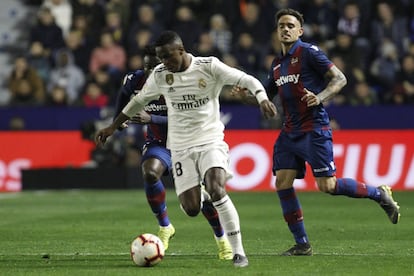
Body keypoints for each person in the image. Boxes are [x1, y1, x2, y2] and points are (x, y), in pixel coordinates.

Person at [95, 31, 277, 267]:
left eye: (167, 57)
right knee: (191, 208)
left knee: (217, 188)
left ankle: (238, 252)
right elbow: (137, 102)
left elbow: (246, 79)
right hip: (179, 147)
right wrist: (112, 127)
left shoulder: (208, 66)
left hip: (210, 139)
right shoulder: (160, 75)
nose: (163, 63)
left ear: (181, 51)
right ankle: (201, 194)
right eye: (160, 58)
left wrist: (262, 98)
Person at [262, 8, 400, 256]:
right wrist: (251, 96)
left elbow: (340, 78)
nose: (285, 29)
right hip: (289, 131)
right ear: (277, 31)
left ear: (299, 31)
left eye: (290, 25)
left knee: (328, 185)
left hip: (314, 128)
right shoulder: (276, 64)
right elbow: (266, 95)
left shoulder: (309, 53)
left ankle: (378, 193)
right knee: (282, 182)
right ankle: (302, 244)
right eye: (281, 25)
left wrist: (321, 96)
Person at [112, 45, 234, 260]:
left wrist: (153, 119)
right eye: (147, 67)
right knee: (149, 172)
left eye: (155, 67)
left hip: (189, 142)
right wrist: (117, 122)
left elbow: (187, 118)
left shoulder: (182, 82)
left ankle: (222, 239)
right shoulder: (135, 80)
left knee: (203, 198)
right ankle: (165, 226)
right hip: (159, 142)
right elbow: (123, 99)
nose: (150, 72)